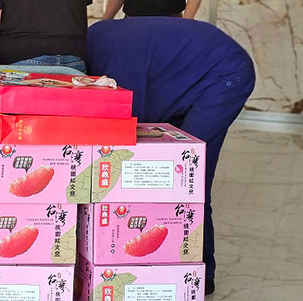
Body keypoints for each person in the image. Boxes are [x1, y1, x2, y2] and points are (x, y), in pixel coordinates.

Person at [85, 17, 256, 296]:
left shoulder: (113, 56)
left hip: (224, 74)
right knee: (172, 175)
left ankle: (201, 273)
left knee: (189, 176)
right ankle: (168, 262)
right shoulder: (96, 38)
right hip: (189, 80)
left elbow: (132, 128)